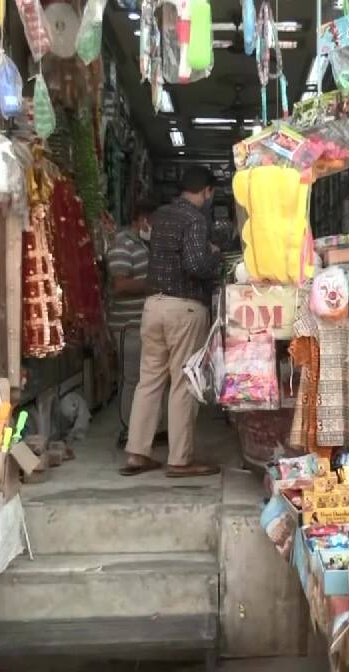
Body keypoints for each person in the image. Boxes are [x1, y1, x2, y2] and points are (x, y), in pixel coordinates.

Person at [120, 166, 222, 478]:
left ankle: (137, 452)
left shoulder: (161, 216)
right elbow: (194, 264)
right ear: (206, 191)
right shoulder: (195, 220)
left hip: (153, 307)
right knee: (183, 382)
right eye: (210, 195)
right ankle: (180, 460)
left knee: (149, 380)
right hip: (184, 309)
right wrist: (214, 254)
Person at [107, 199, 161, 447]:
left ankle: (143, 430)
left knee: (144, 378)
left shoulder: (142, 245)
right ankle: (129, 430)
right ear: (142, 219)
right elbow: (119, 285)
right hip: (127, 326)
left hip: (142, 323)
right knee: (131, 379)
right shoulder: (122, 245)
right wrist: (155, 284)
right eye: (153, 222)